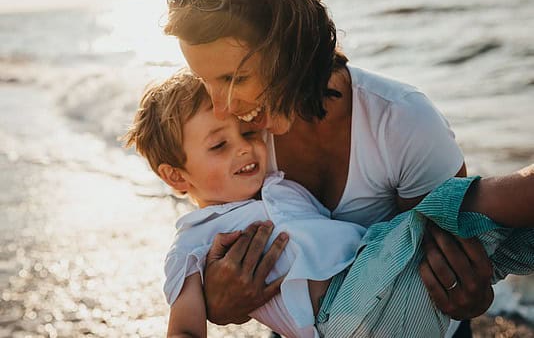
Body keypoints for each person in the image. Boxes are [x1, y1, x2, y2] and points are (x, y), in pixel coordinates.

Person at [162, 0, 494, 337]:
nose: (221, 107)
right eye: (204, 81)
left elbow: (451, 266)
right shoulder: (239, 139)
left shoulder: (403, 123)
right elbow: (219, 234)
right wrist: (218, 300)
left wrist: (472, 294)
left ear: (292, 46)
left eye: (235, 78)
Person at [122, 70, 534, 338]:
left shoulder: (279, 186)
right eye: (218, 144)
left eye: (247, 133)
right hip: (343, 312)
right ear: (175, 176)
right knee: (468, 206)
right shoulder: (194, 241)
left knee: (507, 239)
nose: (245, 149)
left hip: (393, 297)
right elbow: (185, 330)